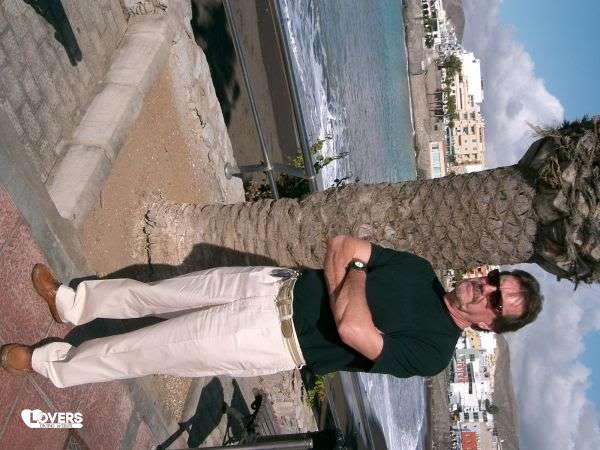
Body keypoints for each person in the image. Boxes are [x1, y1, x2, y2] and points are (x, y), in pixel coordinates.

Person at [1, 235, 543, 387]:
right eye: (495, 280)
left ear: (490, 324)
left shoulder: (433, 353)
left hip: (269, 338)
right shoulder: (419, 270)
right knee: (155, 294)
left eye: (496, 301)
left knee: (145, 350)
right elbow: (340, 244)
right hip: (269, 283)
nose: (486, 289)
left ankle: (52, 366)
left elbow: (353, 331)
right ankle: (73, 303)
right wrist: (351, 281)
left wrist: (353, 276)